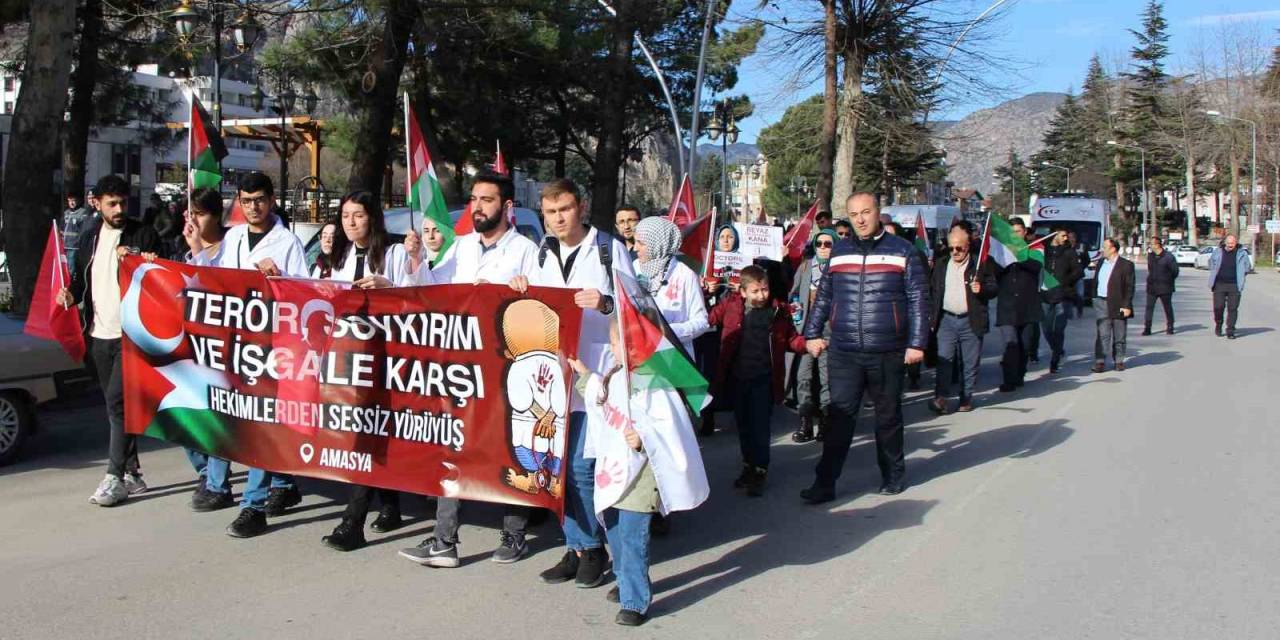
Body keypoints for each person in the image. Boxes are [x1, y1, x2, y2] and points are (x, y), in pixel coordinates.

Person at [399, 171, 542, 567]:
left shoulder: (525, 251)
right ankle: (444, 540)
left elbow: (542, 307)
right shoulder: (461, 247)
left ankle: (514, 534)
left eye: (487, 200)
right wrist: (415, 259)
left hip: (504, 370)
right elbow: (433, 289)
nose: (477, 207)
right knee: (452, 445)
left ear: (507, 207)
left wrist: (524, 290)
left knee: (508, 450)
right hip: (461, 368)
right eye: (475, 199)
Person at [508, 178, 634, 588]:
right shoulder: (542, 251)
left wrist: (605, 302)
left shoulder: (607, 248)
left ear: (580, 207)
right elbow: (527, 302)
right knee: (553, 467)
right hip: (549, 373)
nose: (558, 218)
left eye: (564, 209)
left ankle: (595, 548)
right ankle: (576, 545)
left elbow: (635, 305)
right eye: (550, 212)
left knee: (582, 468)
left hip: (595, 372)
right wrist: (519, 288)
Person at [567, 319, 709, 627]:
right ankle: (625, 579)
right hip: (615, 469)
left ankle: (635, 600)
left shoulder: (654, 381)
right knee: (615, 530)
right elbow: (601, 397)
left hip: (641, 475)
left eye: (618, 343)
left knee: (632, 535)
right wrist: (584, 375)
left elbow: (668, 425)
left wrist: (643, 438)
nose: (614, 349)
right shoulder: (617, 374)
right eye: (614, 343)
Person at [191, 172, 310, 538]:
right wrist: (196, 249)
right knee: (228, 417)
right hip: (234, 344)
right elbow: (211, 281)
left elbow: (304, 292)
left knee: (257, 424)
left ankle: (253, 505)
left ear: (271, 200)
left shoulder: (286, 242)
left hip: (269, 347)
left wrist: (279, 278)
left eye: (259, 200)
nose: (253, 207)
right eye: (246, 201)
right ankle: (278, 483)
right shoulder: (235, 238)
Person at [799, 193, 928, 504]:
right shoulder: (839, 252)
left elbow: (919, 301)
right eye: (854, 213)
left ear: (877, 213)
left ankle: (893, 476)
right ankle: (825, 483)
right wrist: (812, 333)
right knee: (839, 419)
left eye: (866, 212)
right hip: (844, 350)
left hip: (887, 349)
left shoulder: (904, 252)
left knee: (887, 417)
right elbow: (824, 298)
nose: (859, 219)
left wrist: (917, 343)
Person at [57, 175, 162, 506]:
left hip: (131, 336)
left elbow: (159, 273)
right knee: (115, 406)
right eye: (111, 203)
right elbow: (81, 279)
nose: (118, 209)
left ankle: (114, 476)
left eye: (122, 203)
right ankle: (133, 472)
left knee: (118, 403)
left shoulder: (142, 233)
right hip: (98, 334)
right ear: (96, 203)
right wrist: (70, 295)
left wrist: (136, 257)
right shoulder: (89, 237)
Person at [318, 190, 411, 552]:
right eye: (345, 216)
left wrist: (389, 287)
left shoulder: (395, 252)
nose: (351, 222)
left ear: (372, 217)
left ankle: (352, 521)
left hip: (387, 354)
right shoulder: (340, 255)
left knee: (371, 430)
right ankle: (389, 504)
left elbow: (422, 298)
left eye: (358, 215)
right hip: (351, 355)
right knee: (364, 430)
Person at [706, 265, 806, 496]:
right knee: (743, 426)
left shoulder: (778, 311)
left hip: (764, 379)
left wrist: (807, 345)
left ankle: (760, 471)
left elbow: (791, 339)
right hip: (737, 377)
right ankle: (748, 466)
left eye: (765, 290)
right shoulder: (729, 306)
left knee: (760, 427)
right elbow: (706, 319)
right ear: (742, 292)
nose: (762, 296)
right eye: (755, 291)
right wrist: (706, 292)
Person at [178, 187, 237, 510]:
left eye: (199, 214)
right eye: (189, 214)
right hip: (194, 341)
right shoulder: (183, 245)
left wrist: (199, 248)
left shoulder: (232, 246)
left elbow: (219, 286)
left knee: (218, 414)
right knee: (187, 413)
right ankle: (205, 471)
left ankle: (217, 484)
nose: (193, 220)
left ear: (215, 215)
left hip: (227, 344)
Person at [928, 222, 997, 414]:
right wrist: (931, 317)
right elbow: (933, 291)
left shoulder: (980, 264)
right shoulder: (942, 264)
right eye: (951, 248)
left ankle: (965, 397)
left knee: (969, 362)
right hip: (946, 320)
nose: (955, 252)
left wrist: (982, 289)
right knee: (944, 360)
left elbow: (993, 288)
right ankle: (941, 398)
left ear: (968, 246)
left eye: (959, 248)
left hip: (970, 320)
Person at [632, 216, 708, 354]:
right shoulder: (634, 267)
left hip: (675, 357)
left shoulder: (685, 272)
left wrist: (667, 332)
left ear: (657, 243)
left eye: (641, 243)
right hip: (642, 355)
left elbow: (701, 322)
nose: (635, 248)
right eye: (634, 242)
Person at [789, 229, 837, 442]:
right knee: (803, 376)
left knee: (828, 377)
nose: (824, 248)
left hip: (830, 331)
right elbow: (793, 295)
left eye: (828, 244)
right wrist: (797, 314)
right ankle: (805, 422)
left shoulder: (840, 268)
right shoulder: (806, 266)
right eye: (820, 244)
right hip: (807, 330)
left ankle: (826, 423)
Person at [994, 219, 1043, 392]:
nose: (1015, 235)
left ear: (1025, 233)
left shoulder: (1034, 249)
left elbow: (1037, 267)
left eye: (1019, 231)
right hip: (1007, 307)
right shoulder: (1000, 251)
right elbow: (994, 271)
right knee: (1010, 343)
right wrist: (1007, 258)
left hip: (1027, 306)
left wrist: (1019, 256)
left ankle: (1019, 374)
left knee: (1024, 344)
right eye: (1012, 232)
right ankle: (1009, 379)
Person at [884, 221, 932, 390]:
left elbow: (922, 285)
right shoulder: (878, 255)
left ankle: (913, 375)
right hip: (888, 311)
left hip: (908, 308)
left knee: (910, 344)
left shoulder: (913, 254)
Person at [1040, 228, 1084, 373]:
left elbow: (1078, 271)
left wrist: (1065, 281)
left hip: (1063, 296)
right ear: (1054, 236)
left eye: (1067, 235)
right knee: (1046, 328)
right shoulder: (1043, 250)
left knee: (1059, 329)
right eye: (1063, 235)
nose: (1066, 238)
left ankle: (1055, 359)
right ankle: (1056, 349)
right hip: (1046, 295)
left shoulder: (1069, 252)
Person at [1090, 238, 1135, 372]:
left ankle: (1119, 360)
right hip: (1101, 302)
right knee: (1103, 334)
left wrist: (1126, 306)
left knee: (1119, 334)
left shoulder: (1126, 265)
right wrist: (1094, 297)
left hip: (1119, 303)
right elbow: (1096, 280)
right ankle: (1100, 361)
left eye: (1104, 247)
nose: (1102, 250)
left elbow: (1129, 287)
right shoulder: (1101, 262)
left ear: (1113, 249)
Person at [1208, 234, 1249, 339]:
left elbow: (1247, 267)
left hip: (1234, 285)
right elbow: (1211, 263)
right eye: (1229, 243)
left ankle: (1230, 330)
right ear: (1225, 242)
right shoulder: (1218, 251)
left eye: (1233, 243)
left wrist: (1241, 275)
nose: (1231, 245)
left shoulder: (1242, 253)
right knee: (1218, 307)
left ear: (1236, 243)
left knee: (1233, 308)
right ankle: (1219, 323)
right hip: (1219, 284)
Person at [1142, 236, 1179, 336]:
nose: (1151, 246)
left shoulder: (1168, 257)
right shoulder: (1151, 256)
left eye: (1152, 244)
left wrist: (1168, 280)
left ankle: (1170, 326)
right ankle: (1147, 328)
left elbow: (1175, 271)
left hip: (1165, 287)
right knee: (1149, 308)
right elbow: (1150, 269)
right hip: (1152, 287)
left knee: (1167, 307)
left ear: (1158, 245)